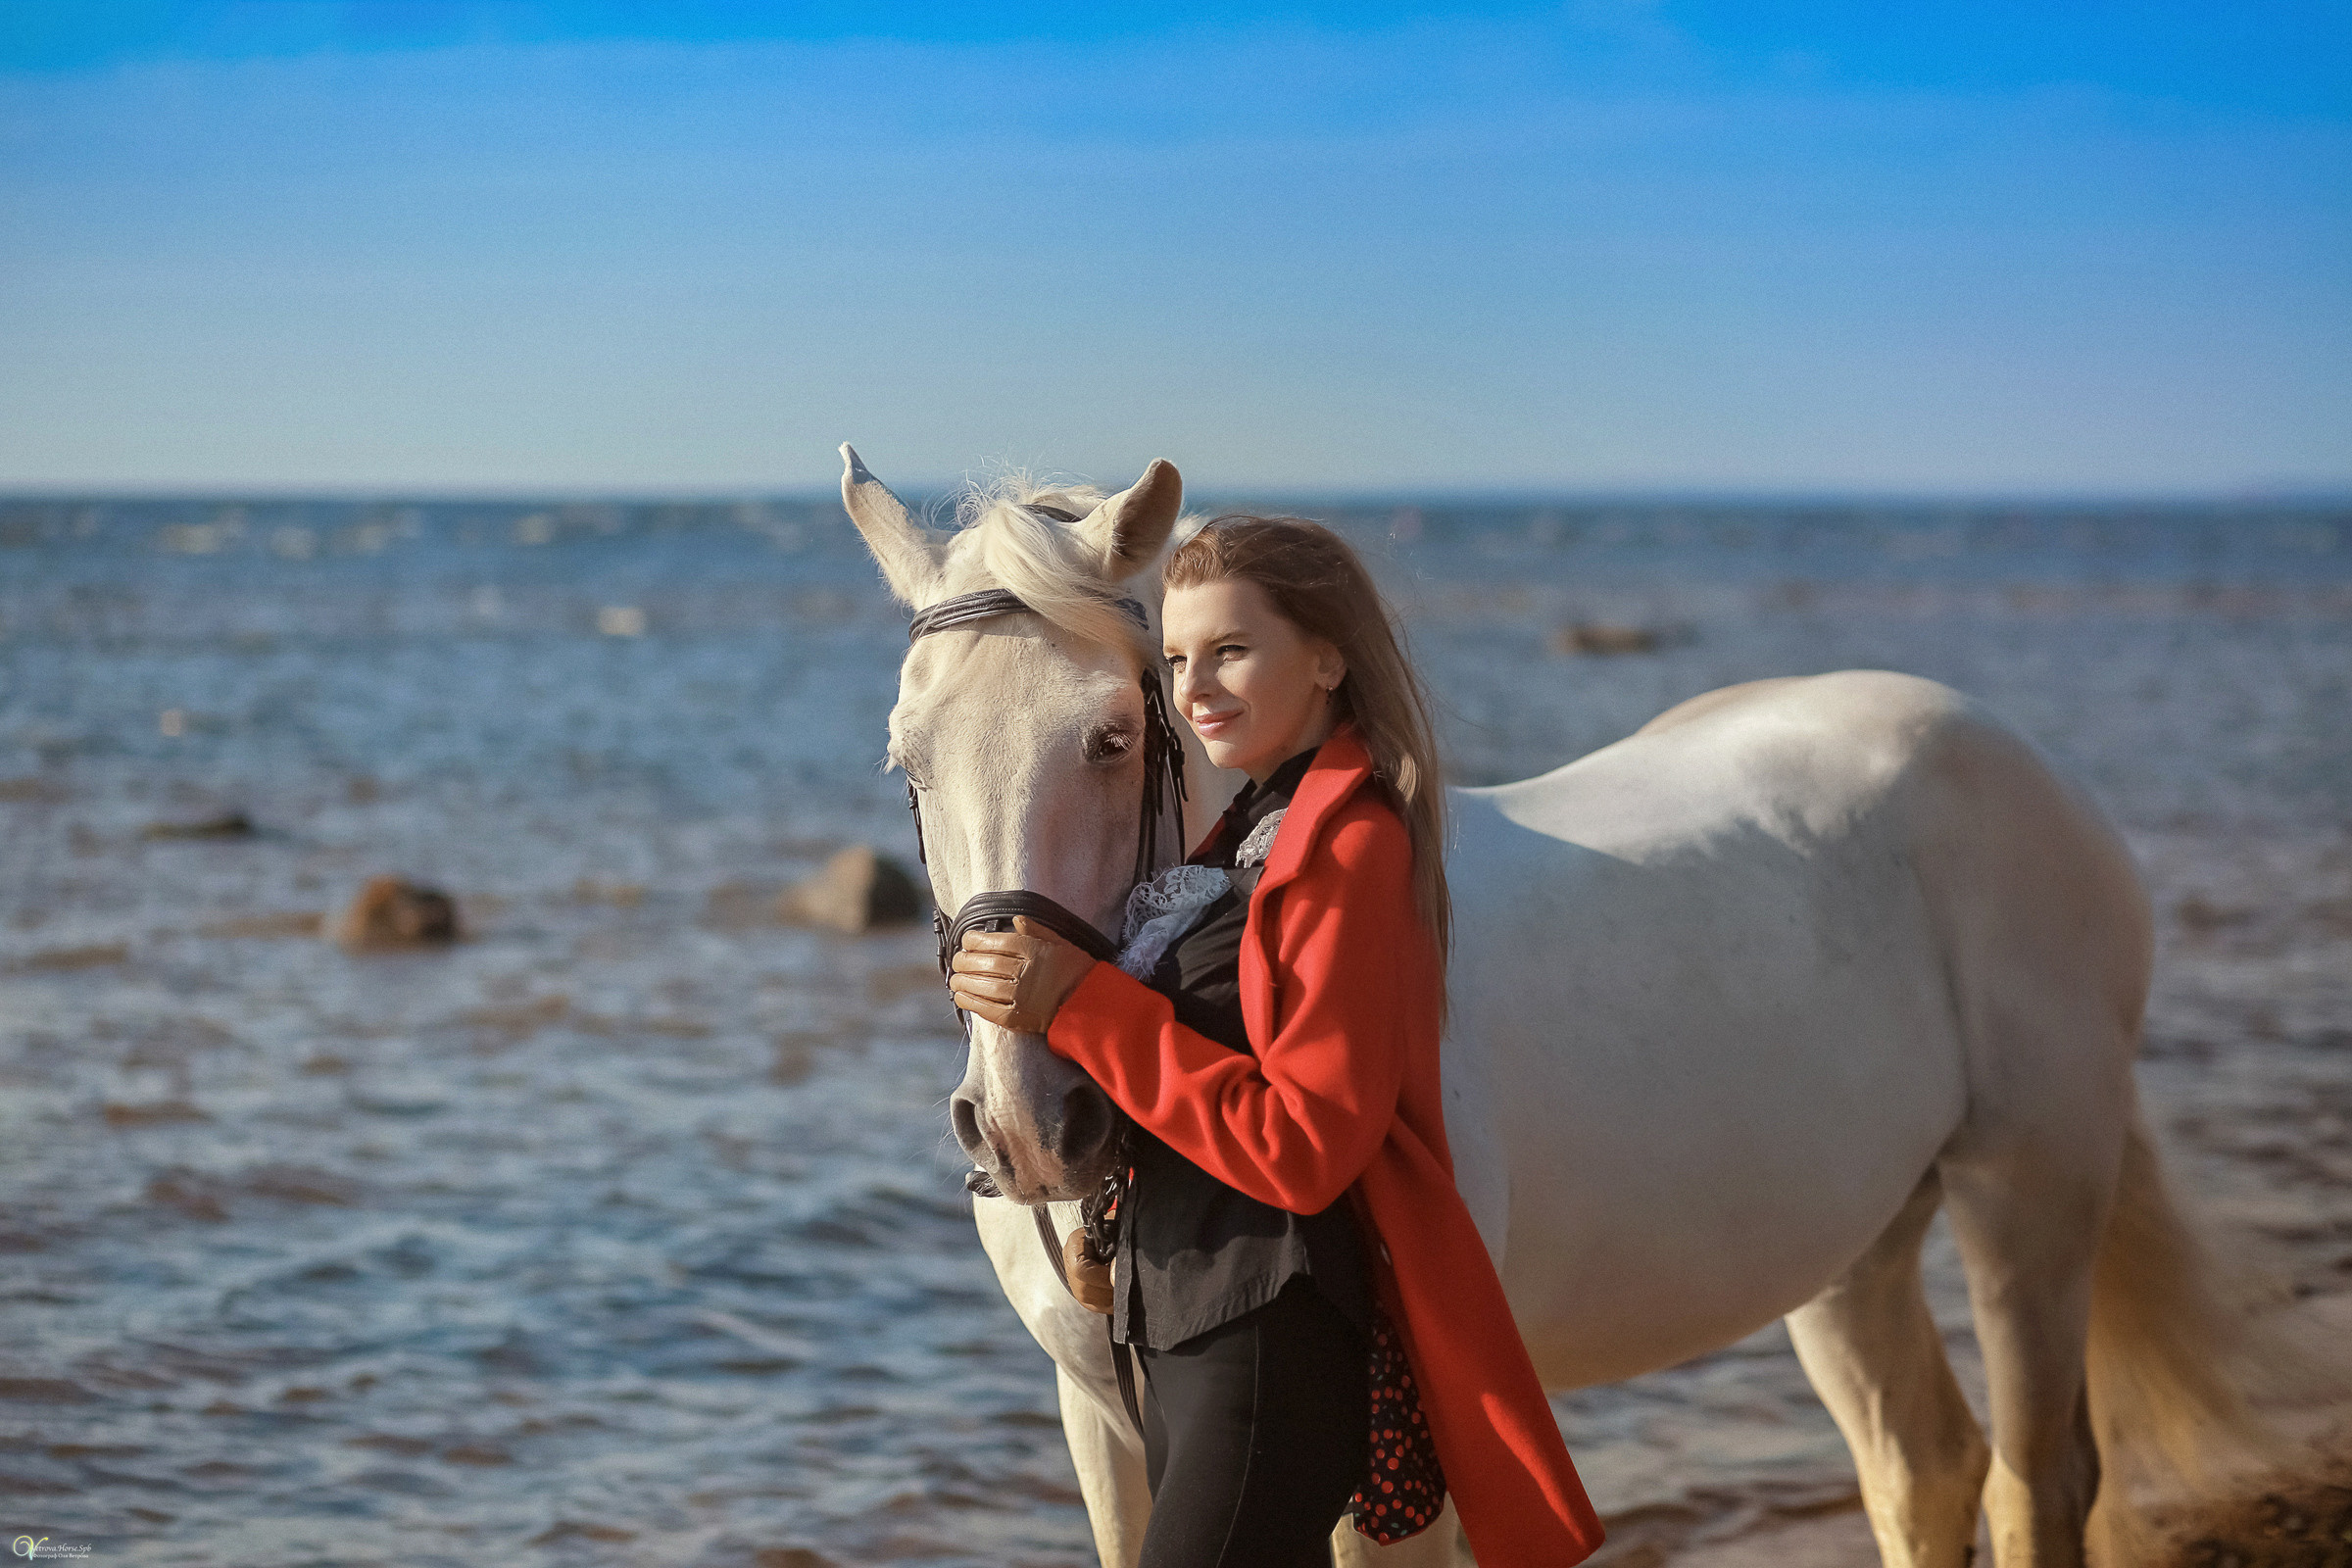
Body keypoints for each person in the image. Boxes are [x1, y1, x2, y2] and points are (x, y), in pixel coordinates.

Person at [949, 516, 1603, 1567]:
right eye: (1174, 658)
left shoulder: (1350, 841)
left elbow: (1306, 1144)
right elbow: (1208, 1072)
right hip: (1184, 1330)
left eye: (1231, 650)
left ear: (1329, 657)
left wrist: (1081, 1005)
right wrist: (1115, 1199)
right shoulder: (1246, 833)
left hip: (1270, 1336)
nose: (1193, 685)